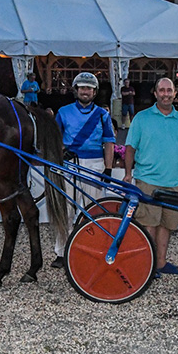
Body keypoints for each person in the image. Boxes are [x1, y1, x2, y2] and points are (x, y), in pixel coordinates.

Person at [123, 78, 178, 277]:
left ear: (174, 94)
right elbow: (130, 148)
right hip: (147, 180)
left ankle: (161, 262)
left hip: (175, 182)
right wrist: (128, 174)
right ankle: (149, 264)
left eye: (169, 90)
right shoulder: (141, 118)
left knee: (167, 224)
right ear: (155, 93)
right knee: (149, 223)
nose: (165, 94)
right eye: (161, 90)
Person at [51, 72, 115, 268]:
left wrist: (108, 168)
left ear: (94, 92)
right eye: (82, 87)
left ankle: (93, 249)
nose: (85, 91)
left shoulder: (103, 115)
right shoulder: (63, 111)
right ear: (76, 90)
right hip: (70, 165)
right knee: (66, 210)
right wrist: (62, 152)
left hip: (95, 164)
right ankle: (61, 252)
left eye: (89, 88)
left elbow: (109, 142)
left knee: (93, 210)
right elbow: (54, 139)